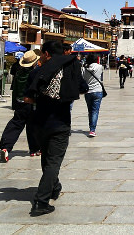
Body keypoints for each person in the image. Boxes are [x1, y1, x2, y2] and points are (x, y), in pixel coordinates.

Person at [24, 40, 87, 217]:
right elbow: (83, 88)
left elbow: (28, 99)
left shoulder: (37, 72)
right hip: (60, 122)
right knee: (53, 161)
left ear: (46, 54)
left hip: (39, 122)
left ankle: (54, 187)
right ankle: (41, 201)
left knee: (47, 158)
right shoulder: (71, 69)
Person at [0, 49, 41, 162]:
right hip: (31, 102)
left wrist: (15, 105)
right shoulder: (35, 73)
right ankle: (35, 149)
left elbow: (16, 89)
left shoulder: (19, 72)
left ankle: (6, 147)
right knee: (33, 126)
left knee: (16, 124)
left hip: (19, 102)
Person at [82, 54, 104, 137]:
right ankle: (92, 130)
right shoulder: (100, 67)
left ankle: (91, 126)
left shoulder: (84, 68)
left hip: (88, 91)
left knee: (90, 110)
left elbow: (83, 79)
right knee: (95, 110)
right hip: (98, 91)